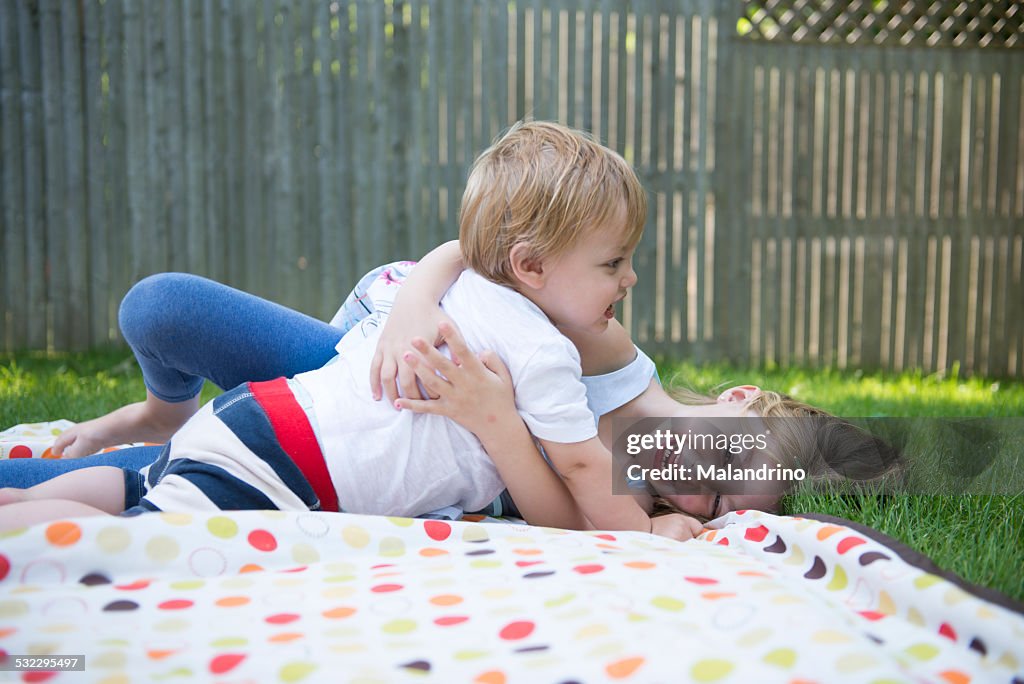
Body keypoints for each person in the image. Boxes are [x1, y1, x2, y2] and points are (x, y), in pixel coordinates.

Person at [0, 120, 707, 538]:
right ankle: (56, 492)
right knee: (146, 521)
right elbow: (583, 469)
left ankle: (24, 498)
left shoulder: (532, 302)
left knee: (140, 485)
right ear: (737, 403)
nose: (629, 280)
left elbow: (572, 495)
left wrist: (502, 426)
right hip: (313, 433)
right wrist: (649, 535)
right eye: (615, 263)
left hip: (277, 413)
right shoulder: (587, 346)